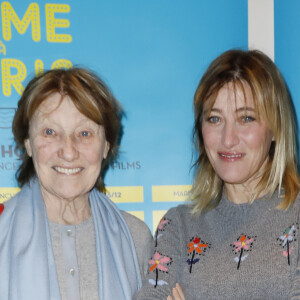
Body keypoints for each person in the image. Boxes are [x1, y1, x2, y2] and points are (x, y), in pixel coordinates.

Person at [134, 49, 300, 299]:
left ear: (276, 128)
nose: (228, 139)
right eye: (214, 119)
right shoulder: (177, 226)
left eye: (246, 118)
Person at [0, 67, 153, 300]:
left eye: (84, 133)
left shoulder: (136, 239)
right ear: (28, 143)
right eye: (50, 132)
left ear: (106, 146)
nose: (69, 152)